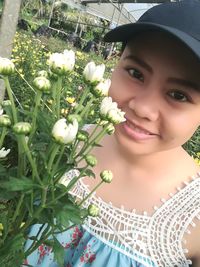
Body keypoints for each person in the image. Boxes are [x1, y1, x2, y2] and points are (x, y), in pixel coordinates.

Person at [25, 1, 200, 266]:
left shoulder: (193, 217)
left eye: (178, 95)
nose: (142, 107)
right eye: (135, 73)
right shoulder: (67, 142)